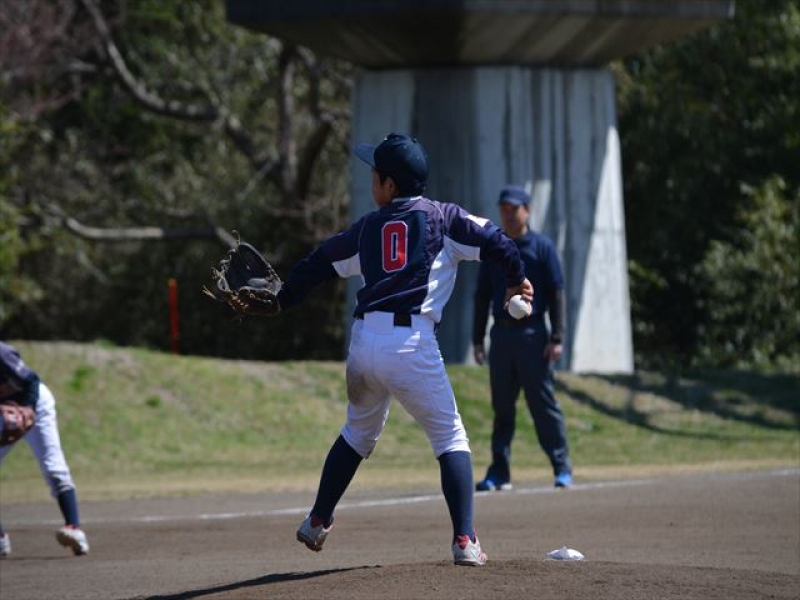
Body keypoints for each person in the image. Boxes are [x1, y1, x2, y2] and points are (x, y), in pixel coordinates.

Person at [274, 133, 532, 566]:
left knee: (356, 433)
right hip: (411, 343)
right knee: (450, 437)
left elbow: (319, 262)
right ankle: (465, 541)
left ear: (389, 185)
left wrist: (283, 298)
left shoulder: (366, 228)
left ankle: (317, 520)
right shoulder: (444, 218)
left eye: (375, 174)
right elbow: (496, 240)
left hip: (364, 344)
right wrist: (515, 279)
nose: (371, 180)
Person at [472, 185, 573, 491]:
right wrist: (477, 340)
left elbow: (556, 292)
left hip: (533, 337)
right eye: (504, 209)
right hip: (501, 336)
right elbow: (481, 296)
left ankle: (561, 467)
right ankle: (499, 472)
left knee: (543, 404)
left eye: (514, 209)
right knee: (502, 408)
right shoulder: (494, 249)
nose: (509, 215)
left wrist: (557, 337)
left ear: (527, 211)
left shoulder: (542, 247)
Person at [0, 341, 89, 557]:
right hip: (3, 412)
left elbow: (31, 380)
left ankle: (74, 528)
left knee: (52, 465)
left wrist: (28, 409)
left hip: (36, 404)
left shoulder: (1, 354)